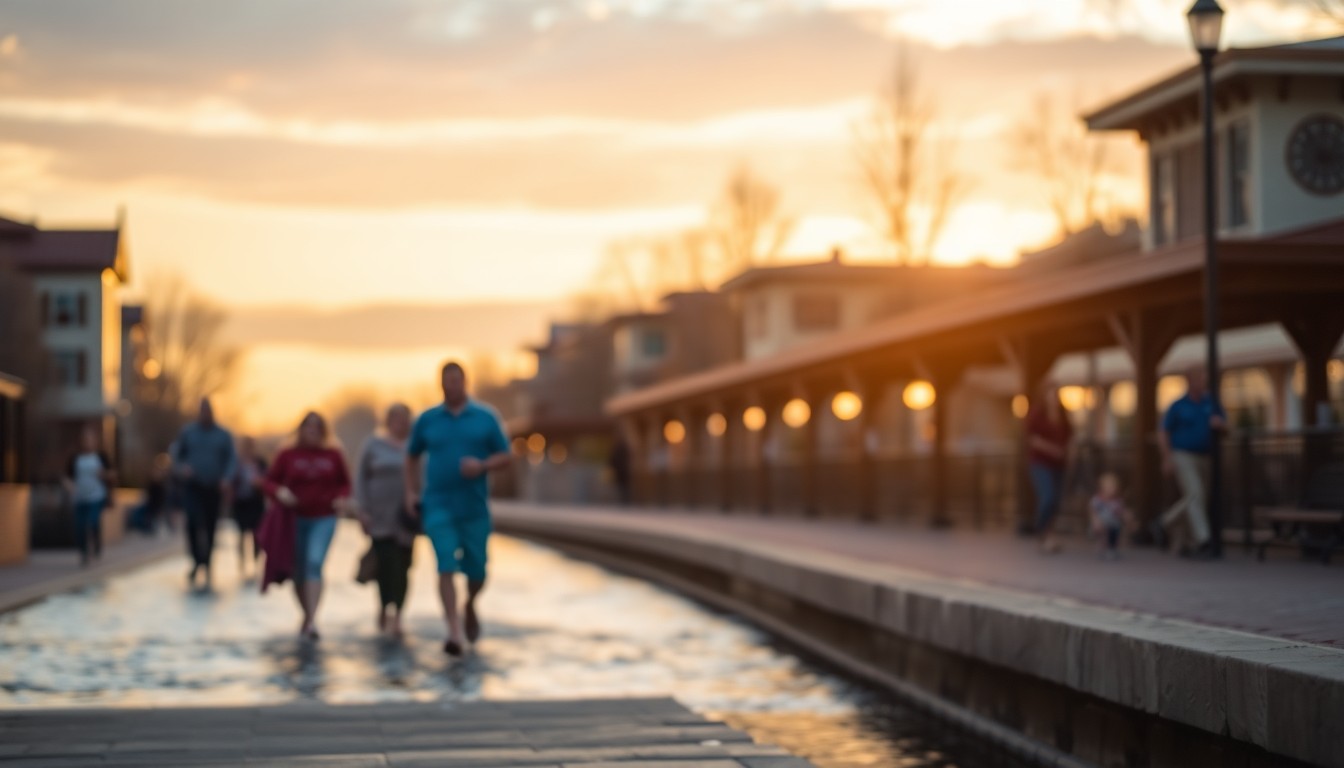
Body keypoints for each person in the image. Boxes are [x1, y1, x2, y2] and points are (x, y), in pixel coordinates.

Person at [405, 361, 511, 656]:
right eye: (447, 381)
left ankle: (470, 604)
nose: (452, 385)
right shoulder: (427, 420)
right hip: (437, 505)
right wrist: (410, 492)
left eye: (457, 380)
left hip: (474, 508)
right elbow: (411, 457)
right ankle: (453, 630)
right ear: (440, 384)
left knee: (477, 570)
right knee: (446, 564)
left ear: (465, 382)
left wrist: (482, 466)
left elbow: (506, 455)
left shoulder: (485, 417)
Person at [265, 411, 351, 641]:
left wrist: (342, 497)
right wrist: (279, 492)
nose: (312, 431)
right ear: (300, 429)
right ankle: (306, 613)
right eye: (308, 427)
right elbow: (270, 481)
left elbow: (345, 483)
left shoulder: (333, 454)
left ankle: (312, 620)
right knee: (299, 571)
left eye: (317, 427)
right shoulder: (287, 454)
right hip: (294, 519)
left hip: (324, 517)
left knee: (314, 562)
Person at [355, 403, 417, 637]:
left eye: (405, 419)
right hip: (379, 516)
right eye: (397, 418)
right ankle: (383, 607)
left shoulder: (414, 447)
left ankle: (399, 614)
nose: (401, 423)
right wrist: (362, 510)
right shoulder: (373, 445)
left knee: (404, 566)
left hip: (406, 517)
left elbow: (424, 477)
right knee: (384, 565)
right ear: (388, 421)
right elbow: (360, 478)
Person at [1155, 367, 1226, 559]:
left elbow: (1227, 425)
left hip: (1206, 456)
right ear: (1189, 381)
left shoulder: (1211, 403)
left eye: (1202, 379)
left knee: (1198, 499)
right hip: (1182, 455)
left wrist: (1220, 424)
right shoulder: (1178, 406)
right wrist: (1166, 458)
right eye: (1196, 379)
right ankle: (1204, 540)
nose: (1200, 383)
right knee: (1195, 494)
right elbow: (1163, 432)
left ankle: (1169, 526)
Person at [172, 398, 237, 588]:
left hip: (214, 487)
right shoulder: (188, 432)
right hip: (193, 486)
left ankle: (207, 563)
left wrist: (227, 478)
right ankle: (197, 560)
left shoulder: (223, 435)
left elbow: (231, 459)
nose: (205, 415)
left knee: (210, 527)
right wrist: (182, 468)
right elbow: (177, 455)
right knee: (192, 523)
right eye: (202, 411)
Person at [1025, 382, 1073, 554]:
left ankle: (1049, 534)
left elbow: (1069, 435)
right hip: (1040, 462)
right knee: (1048, 497)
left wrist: (1065, 452)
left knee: (1057, 501)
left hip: (1059, 464)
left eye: (1056, 393)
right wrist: (1052, 450)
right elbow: (1032, 439)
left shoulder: (1063, 414)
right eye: (1050, 393)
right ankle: (1041, 531)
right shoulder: (1037, 414)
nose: (1054, 397)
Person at [64, 425, 115, 566]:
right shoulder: (75, 457)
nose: (87, 442)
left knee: (93, 521)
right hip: (80, 497)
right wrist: (69, 485)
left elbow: (112, 474)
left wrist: (104, 474)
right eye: (85, 439)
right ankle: (84, 552)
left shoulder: (101, 456)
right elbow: (67, 477)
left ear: (95, 441)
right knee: (80, 526)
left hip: (96, 496)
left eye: (90, 439)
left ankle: (97, 545)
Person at [231, 436, 268, 578]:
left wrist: (260, 483)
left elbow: (268, 479)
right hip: (240, 503)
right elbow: (230, 479)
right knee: (241, 534)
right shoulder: (236, 463)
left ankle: (256, 561)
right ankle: (242, 561)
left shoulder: (260, 462)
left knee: (256, 534)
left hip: (255, 503)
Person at [1089, 472, 1131, 561]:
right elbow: (1093, 510)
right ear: (1102, 488)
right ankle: (1102, 545)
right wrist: (1095, 520)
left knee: (1114, 533)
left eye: (1113, 487)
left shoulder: (1117, 501)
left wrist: (1127, 517)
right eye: (1108, 487)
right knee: (1102, 532)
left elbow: (1122, 511)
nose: (1111, 489)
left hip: (1114, 523)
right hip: (1102, 523)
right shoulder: (1098, 499)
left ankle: (1112, 548)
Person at [127, 453, 170, 534]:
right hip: (150, 504)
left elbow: (161, 498)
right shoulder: (152, 483)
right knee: (138, 512)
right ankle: (143, 527)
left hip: (155, 505)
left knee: (144, 514)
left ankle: (147, 528)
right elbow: (147, 492)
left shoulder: (161, 486)